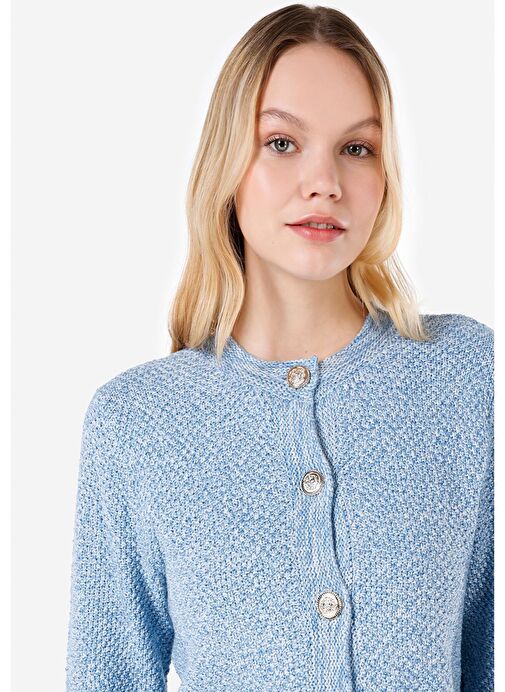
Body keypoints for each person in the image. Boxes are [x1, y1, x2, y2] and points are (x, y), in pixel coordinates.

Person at [65, 5, 494, 691]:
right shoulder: (137, 424)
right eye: (283, 142)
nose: (324, 181)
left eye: (357, 148)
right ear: (227, 166)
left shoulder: (467, 375)